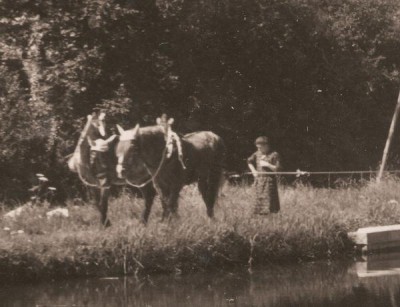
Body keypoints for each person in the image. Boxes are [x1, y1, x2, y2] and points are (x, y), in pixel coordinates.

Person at [247, 136, 281, 215]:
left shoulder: (274, 154)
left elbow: (277, 169)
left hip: (269, 182)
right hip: (258, 181)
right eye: (257, 147)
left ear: (266, 145)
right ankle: (258, 219)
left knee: (269, 203)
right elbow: (249, 161)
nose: (258, 149)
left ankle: (270, 219)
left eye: (260, 147)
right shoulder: (257, 154)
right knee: (257, 202)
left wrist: (268, 165)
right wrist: (253, 171)